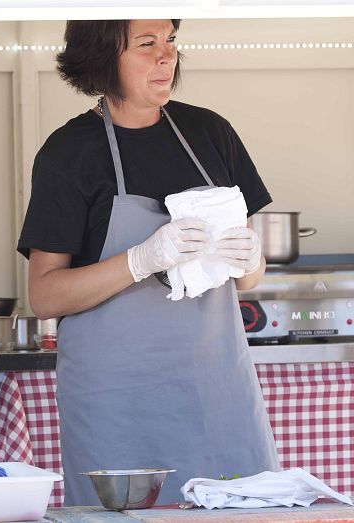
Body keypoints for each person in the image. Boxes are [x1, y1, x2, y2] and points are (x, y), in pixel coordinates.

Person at [17, 19, 280, 506]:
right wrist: (140, 260)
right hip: (118, 404)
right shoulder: (69, 153)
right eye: (146, 44)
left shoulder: (210, 134)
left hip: (216, 388)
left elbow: (247, 278)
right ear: (101, 58)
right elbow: (45, 294)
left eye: (171, 41)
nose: (167, 56)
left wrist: (251, 259)